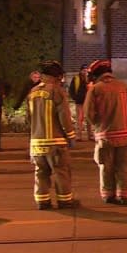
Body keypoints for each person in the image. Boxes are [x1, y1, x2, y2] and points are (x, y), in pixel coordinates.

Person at [84, 59, 127, 205]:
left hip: (105, 135)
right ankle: (124, 195)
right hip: (125, 135)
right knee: (123, 166)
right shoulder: (124, 87)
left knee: (105, 166)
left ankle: (108, 194)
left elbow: (88, 114)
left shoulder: (95, 89)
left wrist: (97, 125)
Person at [27, 60, 77, 210]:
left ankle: (42, 201)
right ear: (56, 77)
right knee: (61, 172)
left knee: (41, 173)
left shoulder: (32, 92)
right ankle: (65, 201)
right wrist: (71, 135)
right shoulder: (57, 91)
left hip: (36, 143)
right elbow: (64, 117)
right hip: (56, 142)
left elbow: (29, 119)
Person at [68, 64, 91, 140]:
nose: (85, 72)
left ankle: (90, 135)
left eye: (86, 70)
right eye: (84, 70)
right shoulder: (76, 78)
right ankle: (79, 136)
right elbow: (71, 89)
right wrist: (75, 97)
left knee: (89, 119)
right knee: (79, 119)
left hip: (88, 101)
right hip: (80, 101)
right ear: (81, 71)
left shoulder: (90, 79)